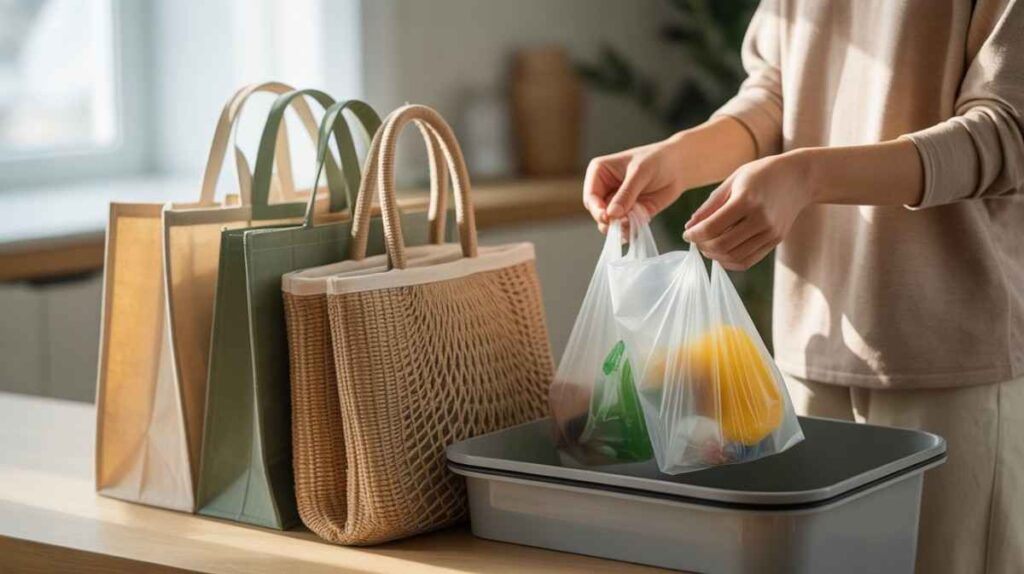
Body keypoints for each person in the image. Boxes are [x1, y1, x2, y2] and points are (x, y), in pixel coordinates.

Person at [583, 1, 1024, 573]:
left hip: (946, 355)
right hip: (809, 352)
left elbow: (1006, 131)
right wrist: (676, 158)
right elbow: (774, 94)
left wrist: (808, 175)